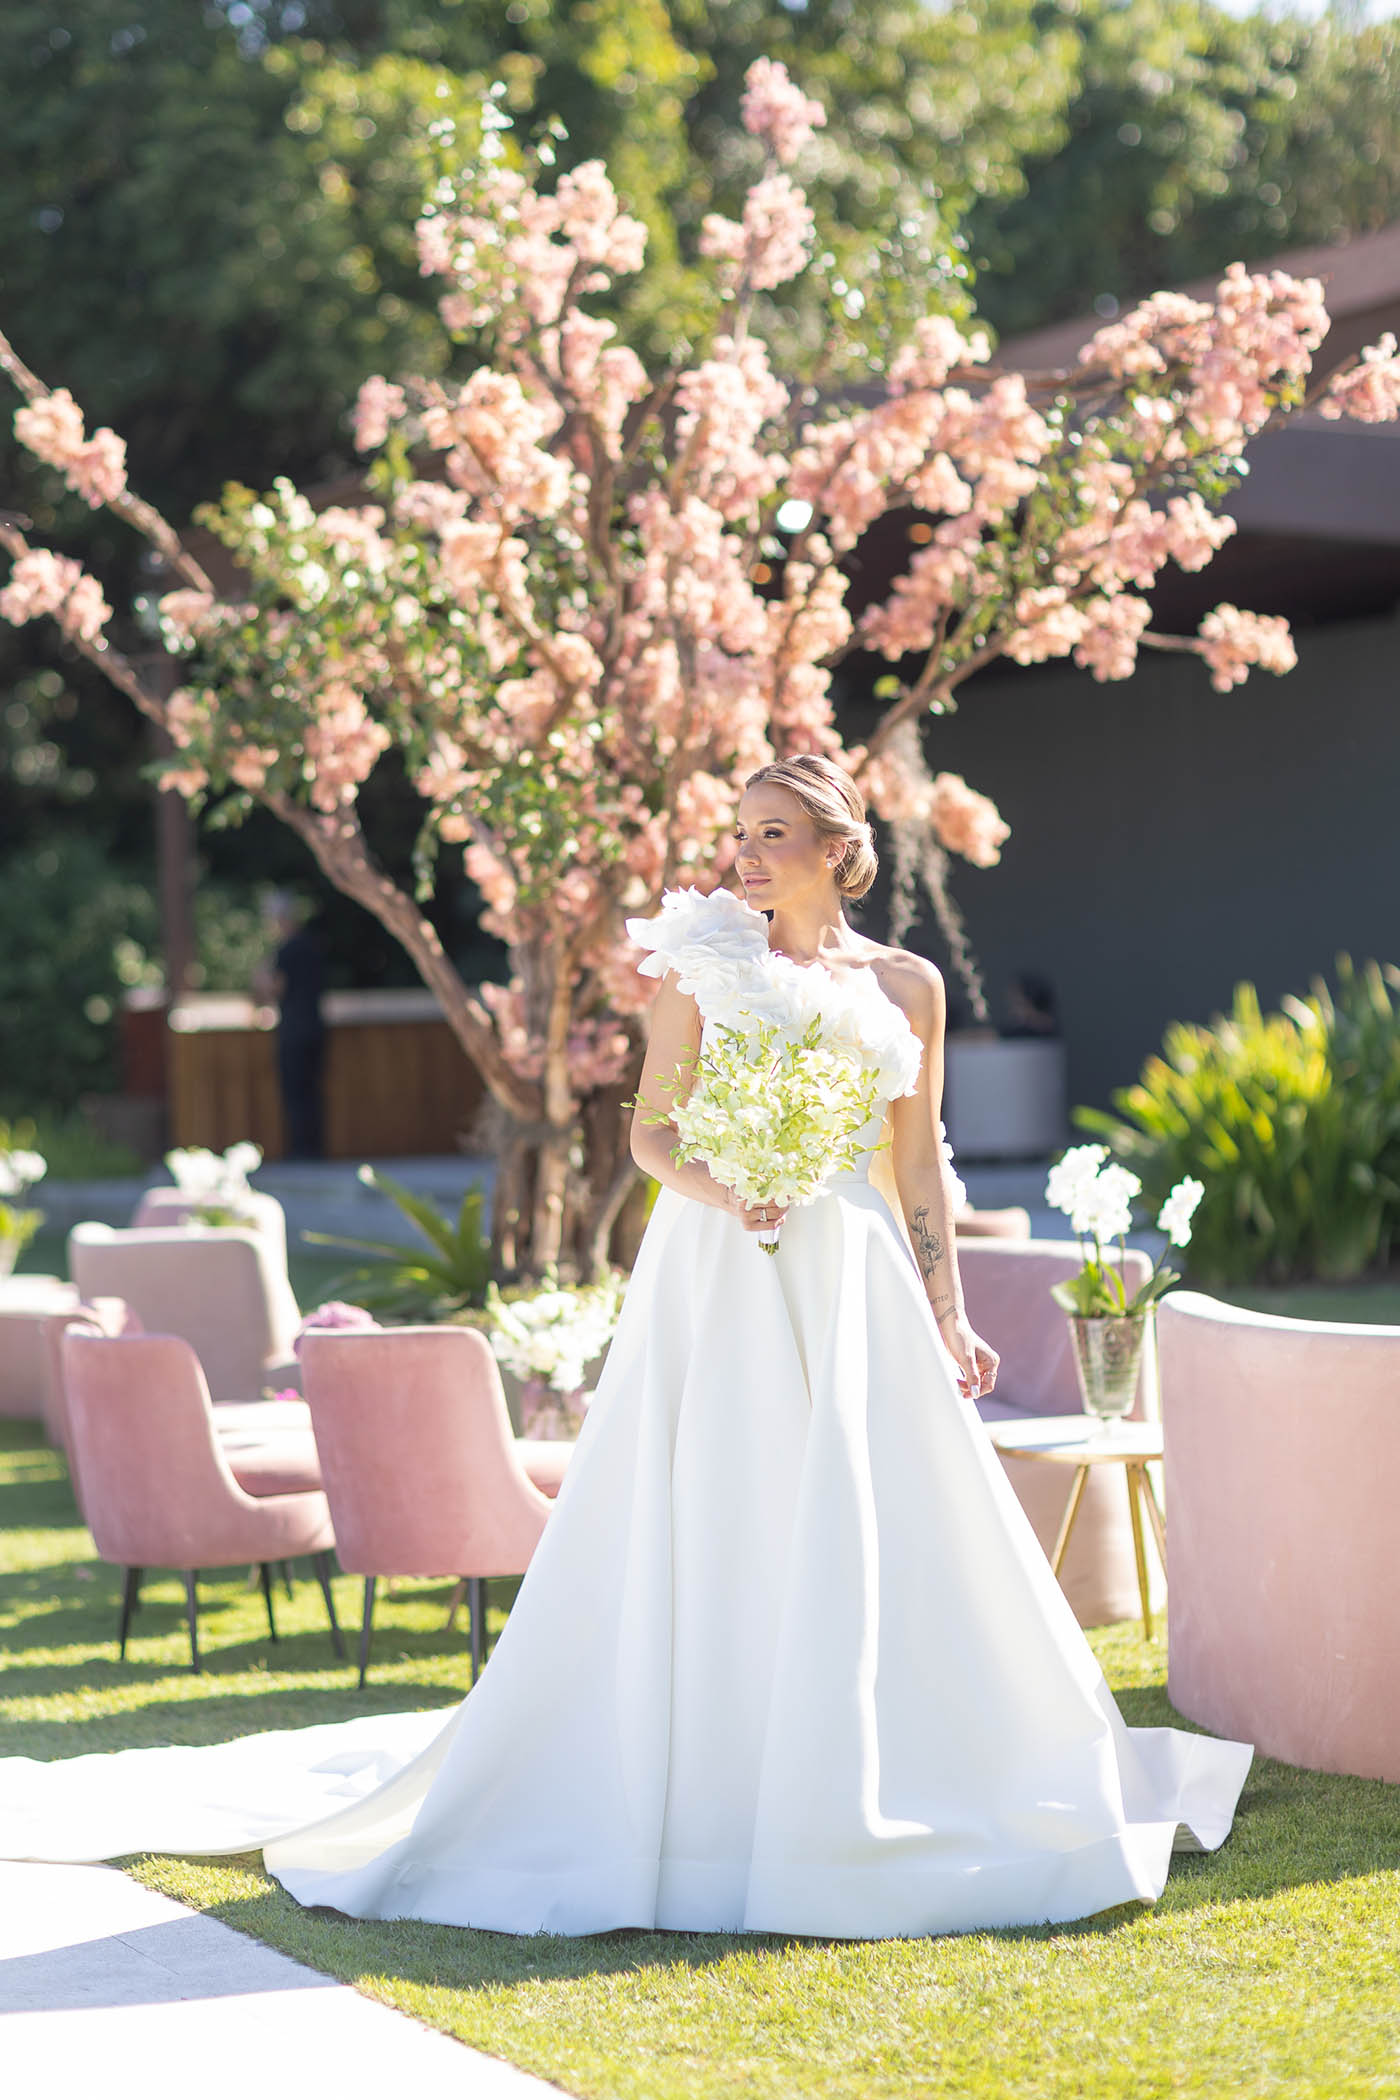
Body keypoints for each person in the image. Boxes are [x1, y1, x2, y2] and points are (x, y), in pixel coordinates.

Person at [0, 756, 1252, 1937]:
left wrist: (948, 1307)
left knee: (877, 1506)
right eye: (742, 835)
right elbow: (653, 1139)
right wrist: (733, 1194)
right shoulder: (698, 963)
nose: (748, 858)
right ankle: (704, 1774)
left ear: (836, 852)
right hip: (720, 1264)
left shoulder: (908, 987)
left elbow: (914, 1159)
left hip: (855, 1267)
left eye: (773, 837)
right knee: (718, 1500)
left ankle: (883, 1765)